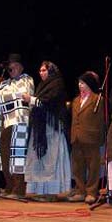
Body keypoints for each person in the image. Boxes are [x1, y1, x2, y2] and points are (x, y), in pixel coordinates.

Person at [0, 53, 35, 199]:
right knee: (5, 157)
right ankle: (9, 186)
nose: (10, 69)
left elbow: (20, 94)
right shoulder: (4, 83)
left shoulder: (26, 79)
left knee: (17, 156)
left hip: (20, 122)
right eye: (9, 67)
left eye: (12, 66)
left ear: (19, 67)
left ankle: (19, 189)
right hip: (5, 123)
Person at [23, 61, 71, 201]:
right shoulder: (42, 86)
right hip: (40, 129)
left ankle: (52, 191)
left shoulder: (57, 84)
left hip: (52, 128)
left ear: (50, 71)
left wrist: (31, 99)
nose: (41, 73)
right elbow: (41, 102)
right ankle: (39, 190)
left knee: (52, 159)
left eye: (44, 70)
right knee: (39, 159)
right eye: (40, 70)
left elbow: (49, 102)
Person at [68, 71, 105, 204]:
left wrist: (100, 138)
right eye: (79, 83)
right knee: (78, 166)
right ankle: (80, 190)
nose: (80, 85)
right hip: (77, 137)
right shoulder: (76, 100)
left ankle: (91, 192)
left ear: (89, 84)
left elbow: (101, 121)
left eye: (83, 83)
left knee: (93, 166)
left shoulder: (97, 99)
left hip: (91, 137)